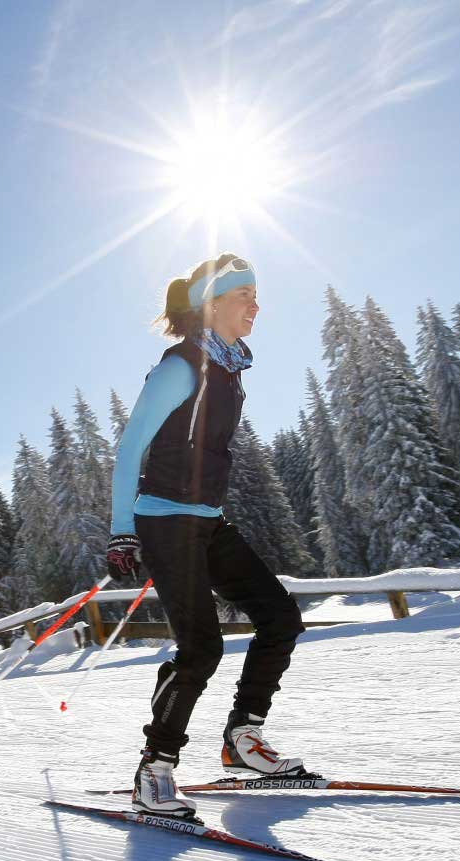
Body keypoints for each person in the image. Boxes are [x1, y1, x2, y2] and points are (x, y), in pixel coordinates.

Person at [106, 254, 310, 819]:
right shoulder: (182, 366)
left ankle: (243, 738)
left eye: (256, 295)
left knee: (280, 617)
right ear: (213, 303)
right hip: (164, 521)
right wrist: (123, 532)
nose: (255, 306)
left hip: (205, 519)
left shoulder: (229, 368)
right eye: (245, 295)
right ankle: (155, 770)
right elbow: (129, 449)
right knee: (202, 648)